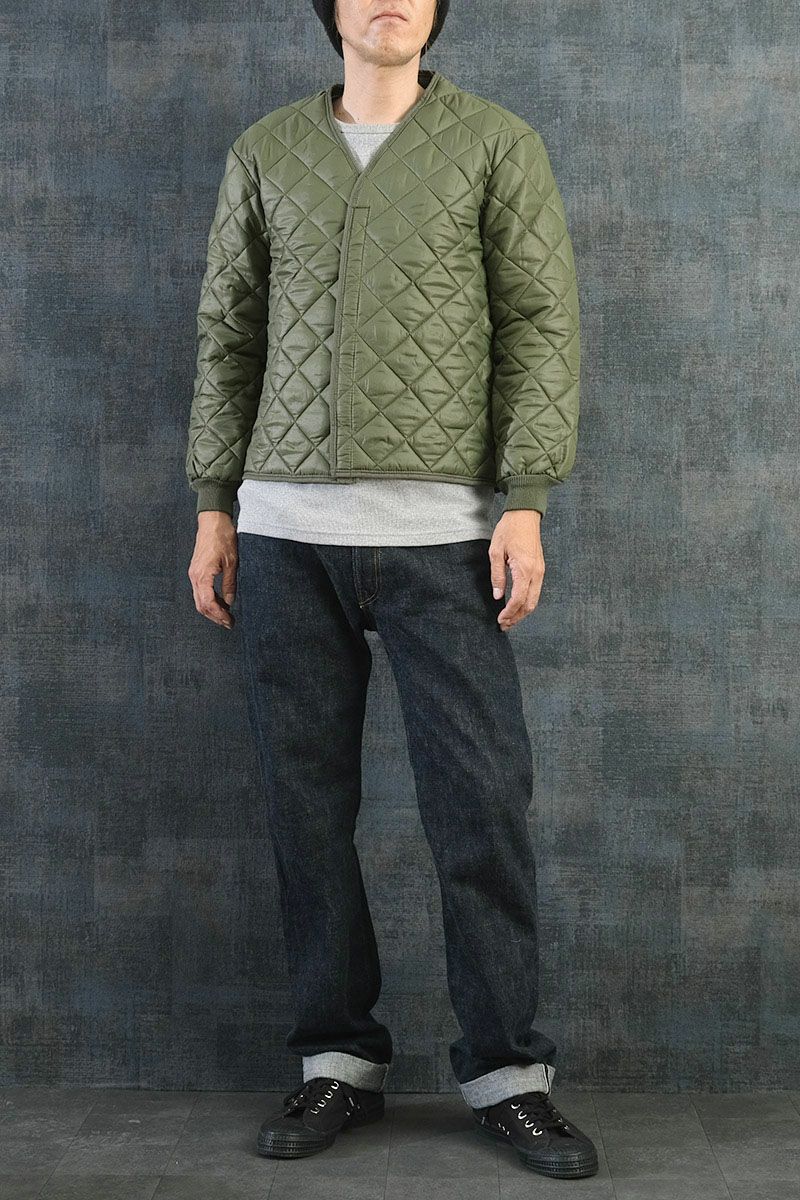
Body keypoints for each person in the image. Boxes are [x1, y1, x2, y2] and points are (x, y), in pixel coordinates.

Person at [185, 0, 597, 1180]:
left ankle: (506, 1073)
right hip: (283, 537)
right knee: (304, 810)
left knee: (479, 806)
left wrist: (524, 496)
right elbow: (228, 331)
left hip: (443, 539)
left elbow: (538, 321)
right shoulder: (266, 150)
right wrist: (214, 502)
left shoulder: (494, 143)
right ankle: (336, 1061)